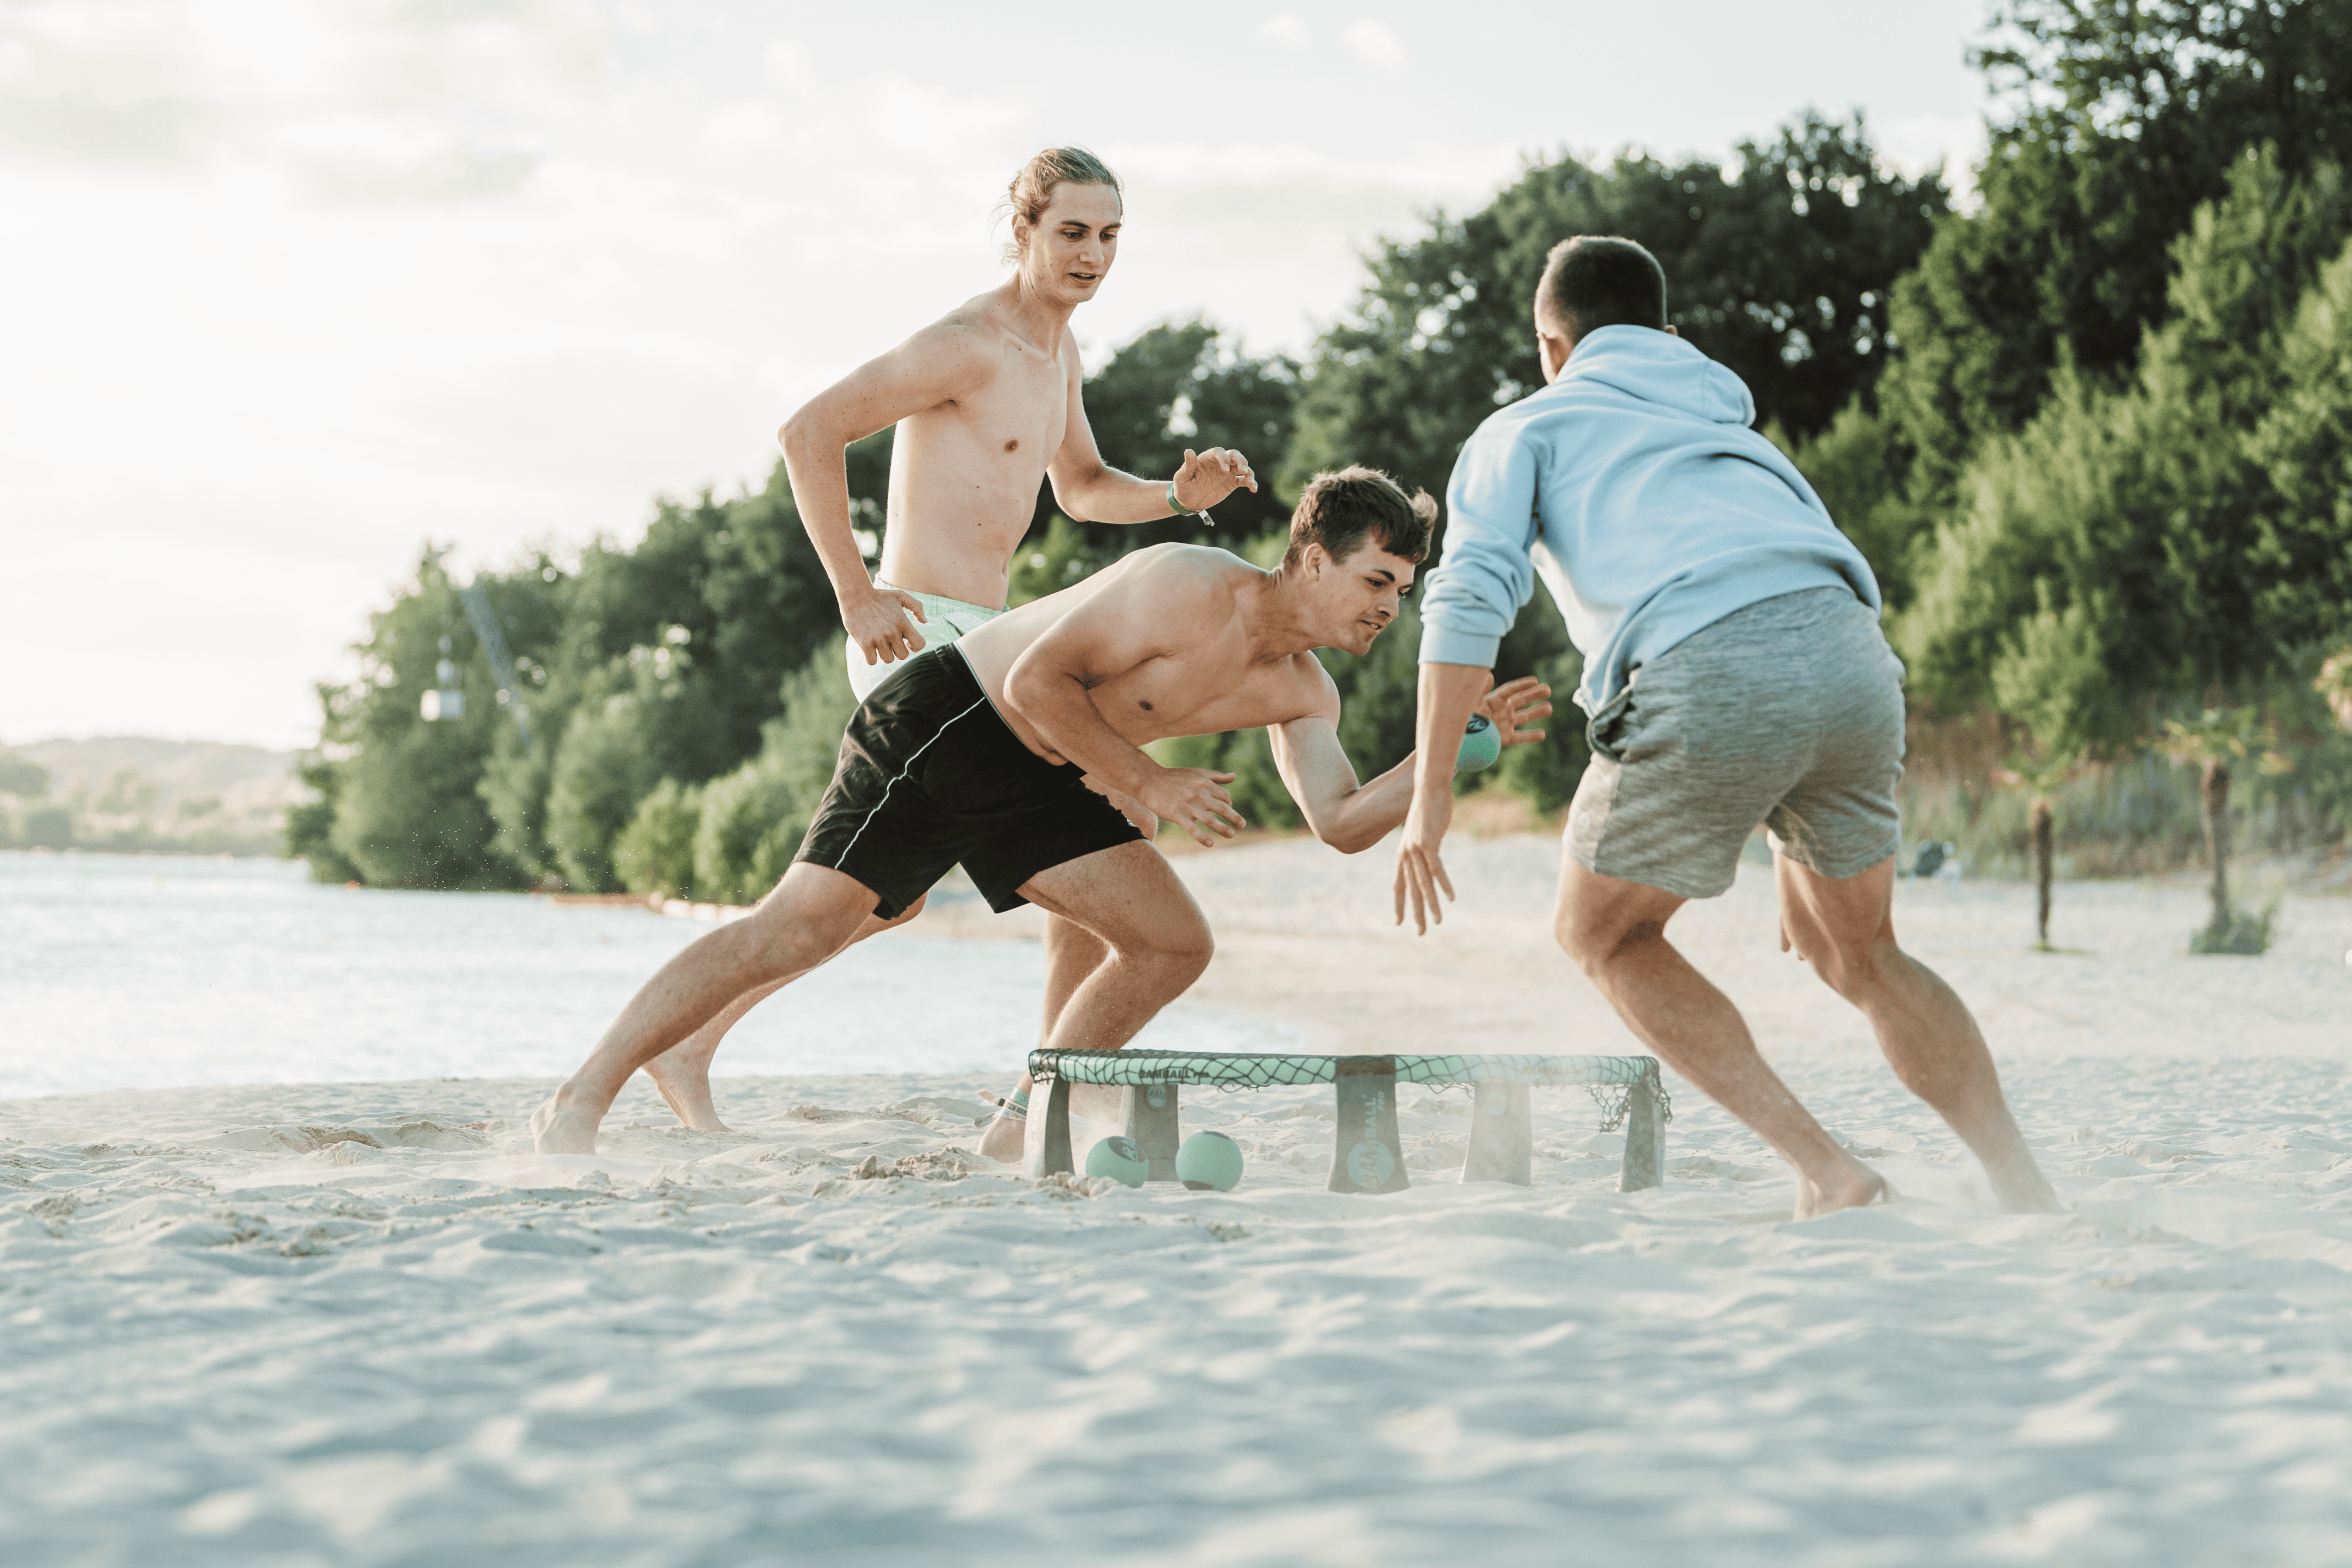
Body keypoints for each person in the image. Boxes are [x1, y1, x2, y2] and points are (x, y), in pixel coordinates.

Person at [533, 468, 1551, 1156]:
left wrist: (1451, 752)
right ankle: (583, 1094)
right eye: (1376, 579)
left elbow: (1336, 819)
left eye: (1403, 590)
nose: (1388, 605)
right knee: (806, 924)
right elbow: (1033, 684)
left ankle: (1026, 1122)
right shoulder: (1186, 583)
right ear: (1313, 557)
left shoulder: (1304, 692)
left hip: (1048, 775)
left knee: (1170, 943)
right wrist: (1149, 787)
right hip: (955, 719)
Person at [1389, 235, 2059, 1220]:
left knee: (1602, 934)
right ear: (1671, 337)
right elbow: (1787, 587)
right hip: (1854, 655)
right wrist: (1791, 820)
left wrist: (1430, 794)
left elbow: (1471, 598)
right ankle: (2025, 1188)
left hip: (1710, 665)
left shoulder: (1525, 427)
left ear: (1552, 345)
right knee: (1865, 953)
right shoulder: (1738, 434)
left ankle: (1830, 1172)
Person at [630, 147, 1259, 1144]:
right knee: (1097, 824)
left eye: (1108, 236)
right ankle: (1056, 1088)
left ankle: (699, 1044)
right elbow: (808, 432)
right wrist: (856, 593)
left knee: (890, 901)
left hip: (992, 641)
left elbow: (1082, 486)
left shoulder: (1059, 353)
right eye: (1072, 233)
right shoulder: (971, 343)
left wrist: (1176, 498)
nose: (1092, 255)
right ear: (1023, 233)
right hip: (926, 638)